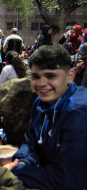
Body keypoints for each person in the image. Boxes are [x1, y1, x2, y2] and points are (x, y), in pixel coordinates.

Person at [6, 46, 87, 189]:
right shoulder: (41, 101)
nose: (41, 84)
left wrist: (15, 171)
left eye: (51, 76)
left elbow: (68, 180)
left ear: (70, 76)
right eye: (36, 76)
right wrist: (23, 162)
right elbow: (31, 142)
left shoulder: (78, 113)